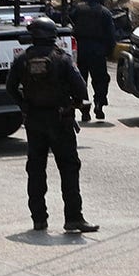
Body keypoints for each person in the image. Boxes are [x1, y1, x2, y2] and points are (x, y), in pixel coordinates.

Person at [6, 18, 99, 234]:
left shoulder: (23, 59)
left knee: (36, 169)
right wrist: (76, 105)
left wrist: (24, 105)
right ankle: (73, 218)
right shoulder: (62, 59)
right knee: (68, 169)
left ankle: (39, 219)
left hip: (34, 122)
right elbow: (81, 89)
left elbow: (10, 87)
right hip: (60, 121)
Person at [70, 0, 117, 122]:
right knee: (101, 80)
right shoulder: (105, 13)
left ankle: (85, 110)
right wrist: (108, 52)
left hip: (80, 51)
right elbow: (111, 36)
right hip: (98, 52)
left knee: (80, 81)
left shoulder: (77, 10)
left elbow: (67, 23)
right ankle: (99, 104)